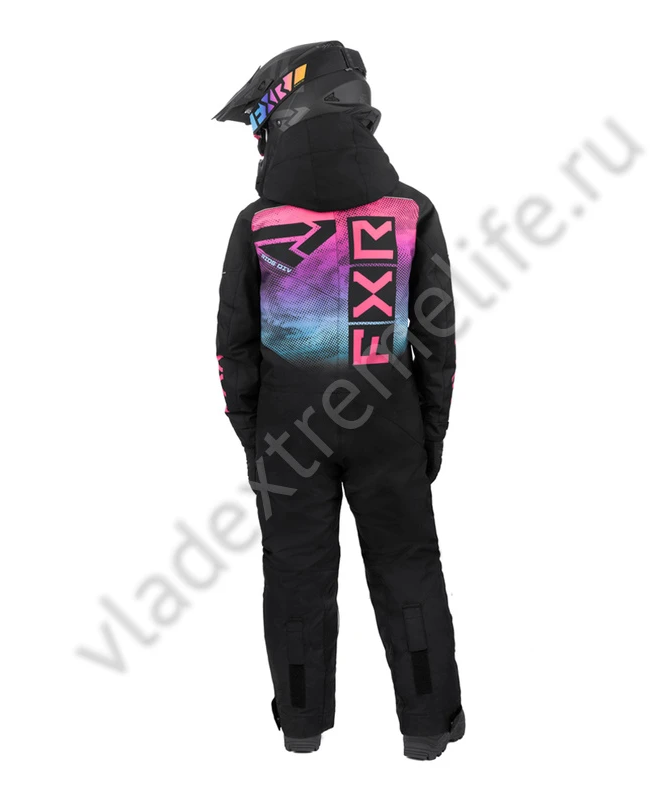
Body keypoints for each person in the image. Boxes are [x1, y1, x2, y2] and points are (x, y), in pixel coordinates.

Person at [213, 41, 464, 760]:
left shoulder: (255, 223)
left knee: (296, 575)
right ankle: (426, 729)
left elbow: (233, 347)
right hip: (389, 417)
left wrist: (257, 441)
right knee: (408, 567)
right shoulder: (411, 211)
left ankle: (301, 728)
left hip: (289, 427)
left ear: (286, 116)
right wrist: (429, 434)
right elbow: (438, 339)